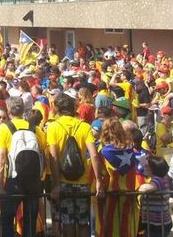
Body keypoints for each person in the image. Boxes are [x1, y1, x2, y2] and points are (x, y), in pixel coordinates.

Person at [46, 93, 102, 237]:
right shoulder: (85, 126)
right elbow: (94, 155)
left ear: (58, 109)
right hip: (83, 182)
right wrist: (98, 181)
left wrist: (56, 184)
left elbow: (53, 157)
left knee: (68, 223)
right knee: (83, 222)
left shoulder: (53, 127)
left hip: (63, 182)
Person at [0, 96, 44, 237]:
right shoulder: (35, 129)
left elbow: (1, 159)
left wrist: (0, 185)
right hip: (33, 180)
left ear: (8, 110)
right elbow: (43, 154)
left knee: (7, 219)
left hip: (14, 179)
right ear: (23, 110)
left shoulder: (4, 128)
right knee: (30, 220)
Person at [94, 118, 140, 237]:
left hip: (110, 196)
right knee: (125, 227)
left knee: (109, 228)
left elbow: (100, 173)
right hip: (128, 195)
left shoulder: (102, 151)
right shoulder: (130, 150)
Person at [138, 156, 172, 237]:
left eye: (147, 166)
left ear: (154, 168)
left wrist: (139, 186)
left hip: (158, 225)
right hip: (157, 223)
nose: (144, 168)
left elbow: (143, 189)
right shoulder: (163, 178)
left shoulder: (158, 179)